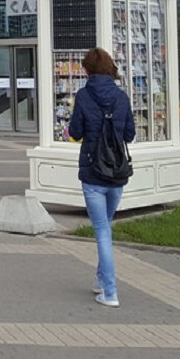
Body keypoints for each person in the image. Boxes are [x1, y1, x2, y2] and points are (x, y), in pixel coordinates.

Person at [66, 47, 134, 309]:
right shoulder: (121, 97)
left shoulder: (83, 96)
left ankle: (110, 292)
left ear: (88, 69)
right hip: (116, 174)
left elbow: (75, 131)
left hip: (93, 173)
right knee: (105, 226)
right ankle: (101, 279)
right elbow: (129, 134)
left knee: (102, 231)